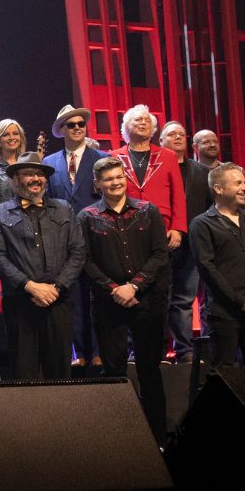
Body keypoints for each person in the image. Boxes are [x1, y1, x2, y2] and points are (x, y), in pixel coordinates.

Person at [79, 156, 170, 438]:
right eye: (108, 179)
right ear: (97, 184)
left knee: (149, 370)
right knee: (114, 370)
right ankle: (120, 437)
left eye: (119, 177)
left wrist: (134, 286)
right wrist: (115, 290)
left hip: (147, 302)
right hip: (109, 305)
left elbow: (160, 254)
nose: (115, 182)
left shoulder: (148, 210)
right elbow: (85, 261)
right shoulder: (87, 216)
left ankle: (158, 436)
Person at [0, 153, 84, 380]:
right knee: (24, 373)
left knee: (60, 373)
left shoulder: (64, 208)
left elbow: (78, 252)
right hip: (20, 303)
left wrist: (56, 288)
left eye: (40, 174)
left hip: (59, 302)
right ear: (16, 179)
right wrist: (31, 287)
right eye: (29, 174)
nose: (36, 178)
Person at [190, 162, 245, 368]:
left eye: (244, 183)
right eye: (238, 183)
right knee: (224, 374)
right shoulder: (202, 224)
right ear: (218, 189)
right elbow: (207, 269)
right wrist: (239, 301)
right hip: (224, 314)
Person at [45, 103, 105, 366]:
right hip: (64, 241)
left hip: (97, 236)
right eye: (72, 125)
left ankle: (99, 351)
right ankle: (79, 352)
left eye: (81, 124)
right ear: (62, 129)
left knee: (98, 296)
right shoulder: (49, 163)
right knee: (73, 298)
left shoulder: (101, 159)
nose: (78, 128)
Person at [163, 121, 214, 360]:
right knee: (161, 301)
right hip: (162, 246)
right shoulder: (157, 169)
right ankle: (160, 350)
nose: (178, 138)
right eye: (171, 134)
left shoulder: (202, 172)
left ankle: (185, 351)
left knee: (184, 300)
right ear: (160, 141)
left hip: (191, 246)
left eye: (182, 134)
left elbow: (208, 208)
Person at [115, 105, 186, 256]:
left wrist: (177, 228)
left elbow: (178, 194)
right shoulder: (114, 157)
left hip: (162, 225)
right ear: (126, 126)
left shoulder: (168, 156)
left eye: (147, 120)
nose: (143, 123)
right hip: (126, 225)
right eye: (138, 119)